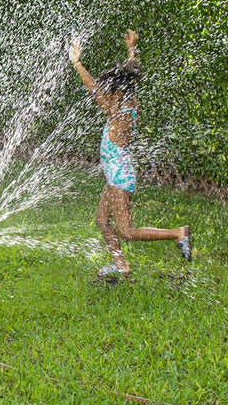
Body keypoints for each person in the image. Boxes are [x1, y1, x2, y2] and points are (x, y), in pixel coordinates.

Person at [69, 29, 191, 280]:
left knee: (127, 231)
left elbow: (94, 90)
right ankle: (121, 265)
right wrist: (131, 48)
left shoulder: (119, 116)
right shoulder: (128, 105)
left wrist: (77, 63)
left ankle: (177, 233)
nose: (109, 96)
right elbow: (131, 75)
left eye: (112, 92)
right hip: (116, 176)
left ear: (119, 94)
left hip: (120, 178)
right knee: (102, 220)